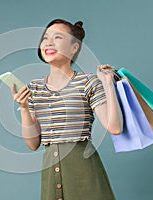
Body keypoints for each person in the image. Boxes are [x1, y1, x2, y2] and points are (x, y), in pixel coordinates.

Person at [11, 18, 123, 200]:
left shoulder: (87, 82)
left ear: (74, 47)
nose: (48, 42)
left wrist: (108, 84)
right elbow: (32, 144)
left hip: (84, 173)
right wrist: (23, 107)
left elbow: (115, 128)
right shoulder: (35, 88)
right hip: (49, 173)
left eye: (57, 37)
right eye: (45, 38)